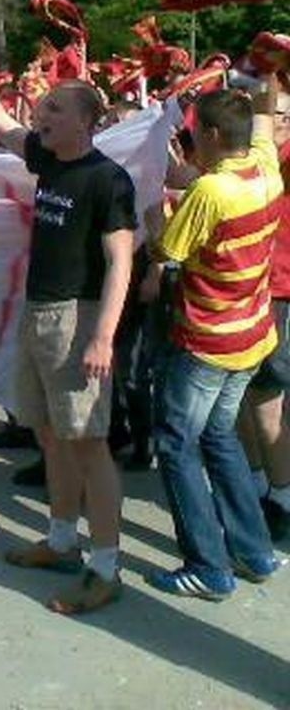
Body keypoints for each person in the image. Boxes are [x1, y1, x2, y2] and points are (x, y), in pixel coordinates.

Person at [0, 27, 136, 615]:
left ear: (85, 121)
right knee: (51, 435)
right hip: (40, 314)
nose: (39, 113)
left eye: (53, 108)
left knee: (89, 444)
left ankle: (106, 568)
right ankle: (60, 540)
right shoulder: (47, 157)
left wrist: (103, 336)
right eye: (42, 106)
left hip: (79, 321)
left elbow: (120, 260)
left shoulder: (108, 179)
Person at [147, 77, 282, 600]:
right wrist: (266, 84)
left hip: (208, 340)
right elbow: (266, 126)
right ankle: (254, 551)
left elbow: (167, 252)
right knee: (219, 436)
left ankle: (207, 565)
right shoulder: (265, 170)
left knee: (177, 443)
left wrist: (152, 215)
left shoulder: (211, 190)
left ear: (207, 134)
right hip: (252, 334)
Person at [237, 86, 290, 543]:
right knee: (240, 397)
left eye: (271, 113)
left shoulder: (282, 159)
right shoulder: (249, 157)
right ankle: (253, 484)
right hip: (242, 290)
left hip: (278, 292)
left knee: (267, 400)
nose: (261, 119)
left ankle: (283, 496)